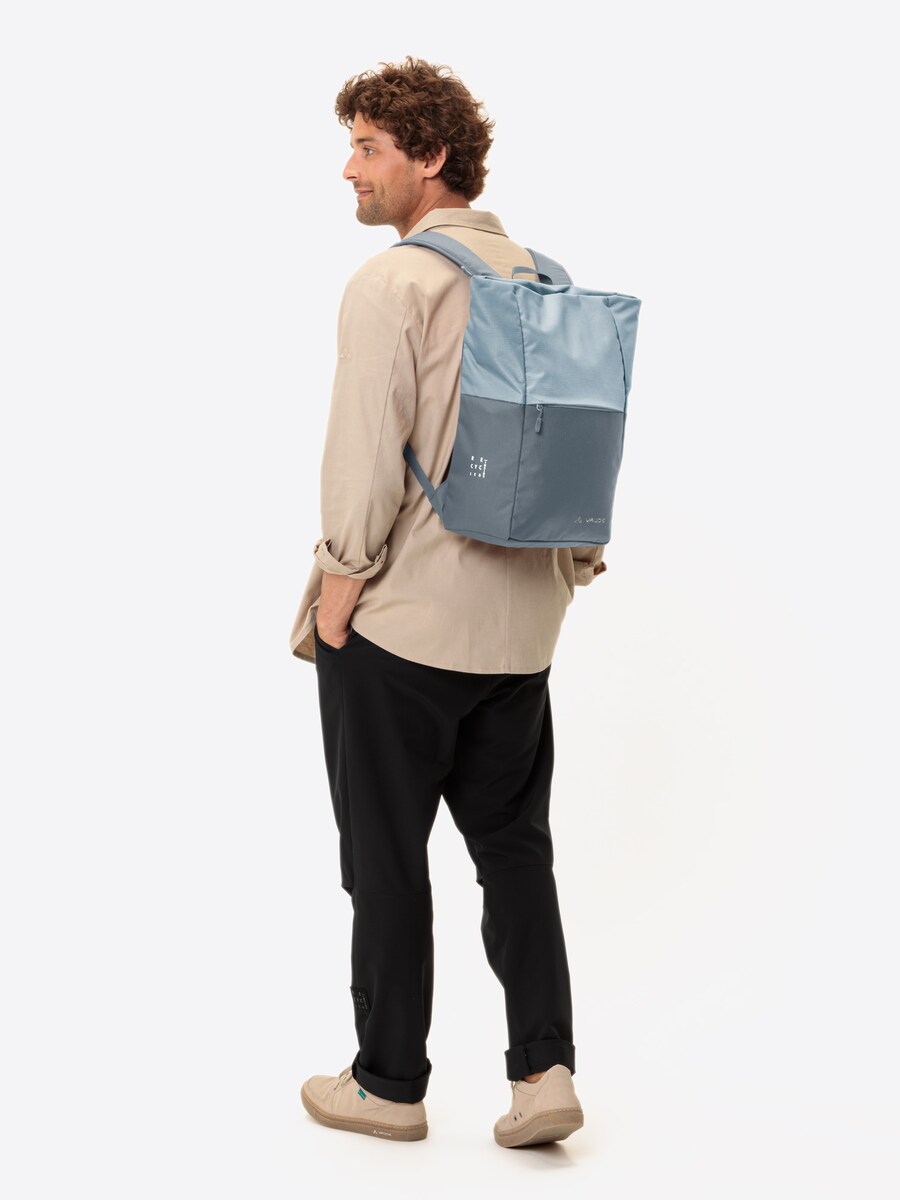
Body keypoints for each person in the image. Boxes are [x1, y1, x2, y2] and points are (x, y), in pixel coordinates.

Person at [289, 56, 607, 1148]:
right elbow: (581, 444)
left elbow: (364, 458)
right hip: (522, 632)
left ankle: (387, 1084)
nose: (350, 170)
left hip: (405, 626)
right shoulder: (545, 279)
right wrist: (571, 570)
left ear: (430, 157)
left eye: (368, 148)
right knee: (515, 850)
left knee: (384, 858)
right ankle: (545, 1073)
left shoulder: (395, 285)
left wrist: (337, 596)